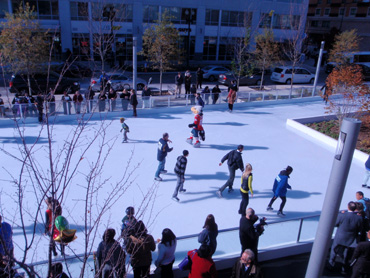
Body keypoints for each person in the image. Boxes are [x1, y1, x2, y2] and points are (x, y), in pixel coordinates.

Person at [328, 201, 363, 269]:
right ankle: (344, 267)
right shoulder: (359, 218)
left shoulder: (342, 215)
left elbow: (335, 224)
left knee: (334, 250)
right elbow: (359, 228)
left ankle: (331, 264)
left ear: (348, 207)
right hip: (350, 237)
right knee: (346, 252)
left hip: (339, 236)